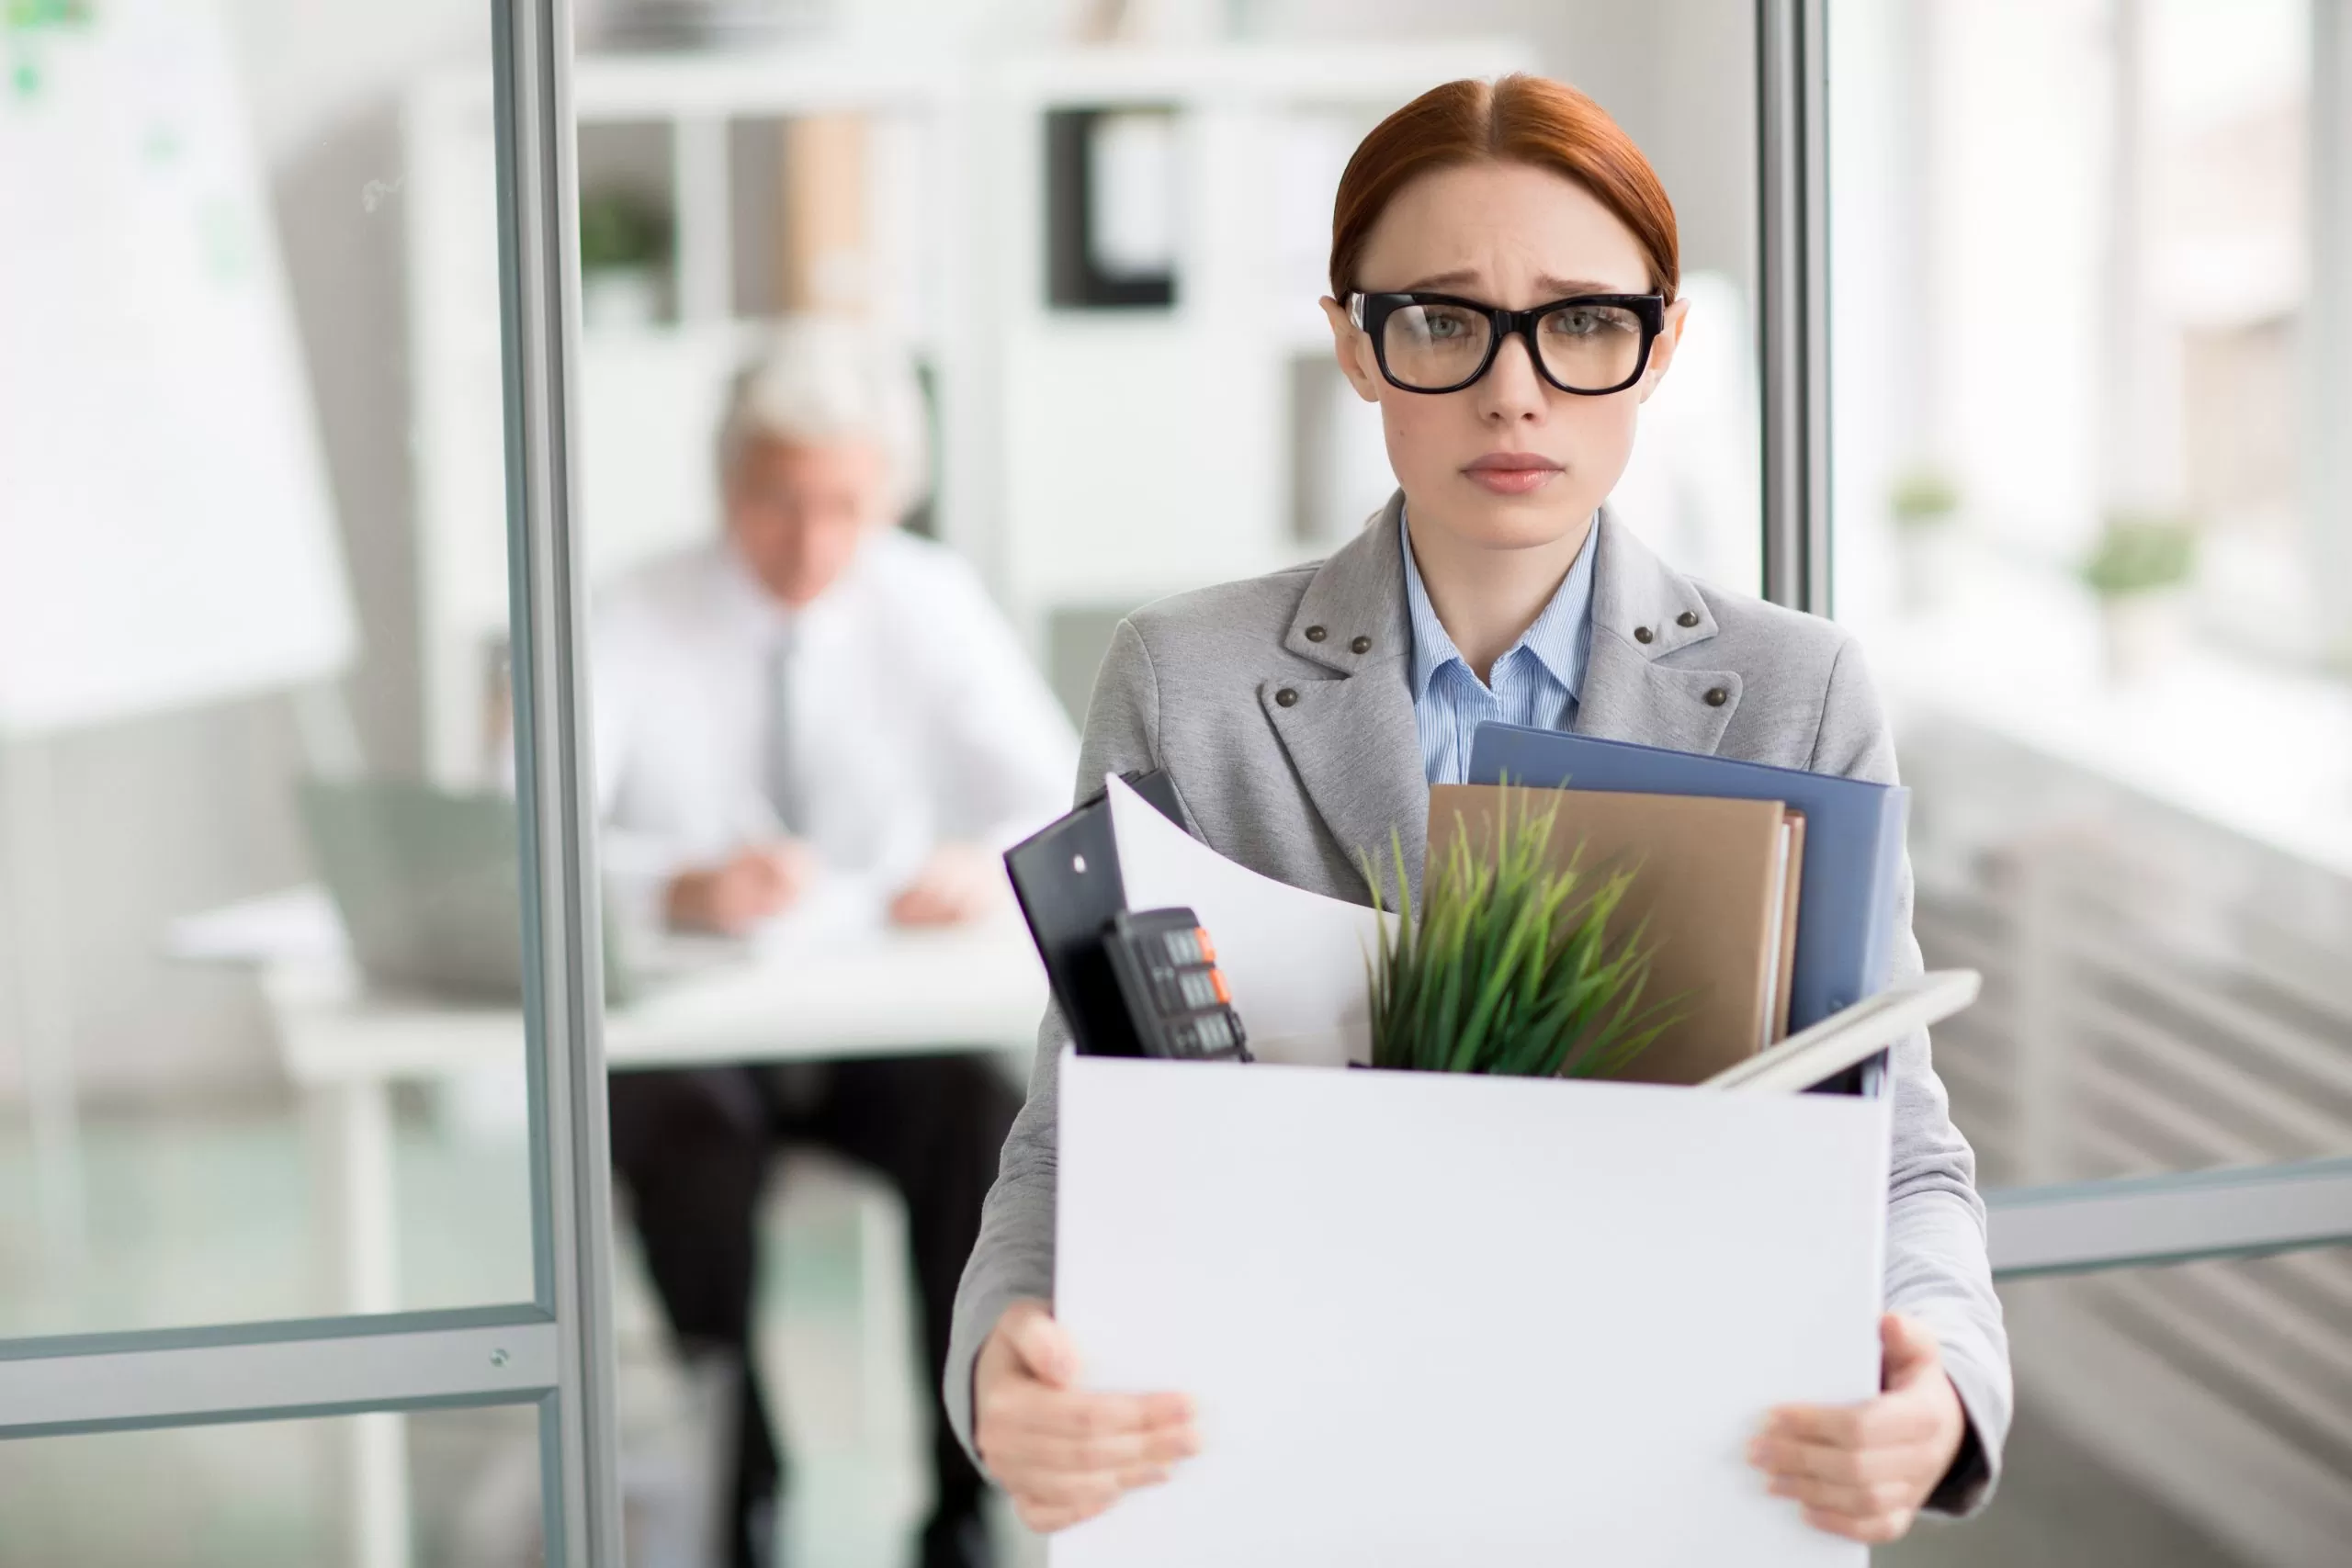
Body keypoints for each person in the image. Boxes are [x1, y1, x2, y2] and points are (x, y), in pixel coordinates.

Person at [944, 74, 2013, 1548]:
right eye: (1444, 320)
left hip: (1671, 1471)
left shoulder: (1799, 689)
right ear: (1353, 342)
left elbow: (1898, 1148)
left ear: (1661, 346)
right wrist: (1004, 1347)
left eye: (1582, 321)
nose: (1516, 391)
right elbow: (1083, 1129)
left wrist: (1945, 1379)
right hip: (1286, 1464)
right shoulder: (1183, 679)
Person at [594, 319, 1079, 1568]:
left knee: (982, 1131)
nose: (808, 542)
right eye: (775, 501)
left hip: (873, 1023)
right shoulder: (630, 611)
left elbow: (1059, 794)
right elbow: (520, 838)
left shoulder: (928, 597)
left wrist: (981, 859)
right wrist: (677, 885)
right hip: (705, 1032)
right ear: (723, 484)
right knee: (683, 1141)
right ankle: (742, 1490)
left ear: (888, 496)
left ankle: (960, 1506)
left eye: (843, 506)